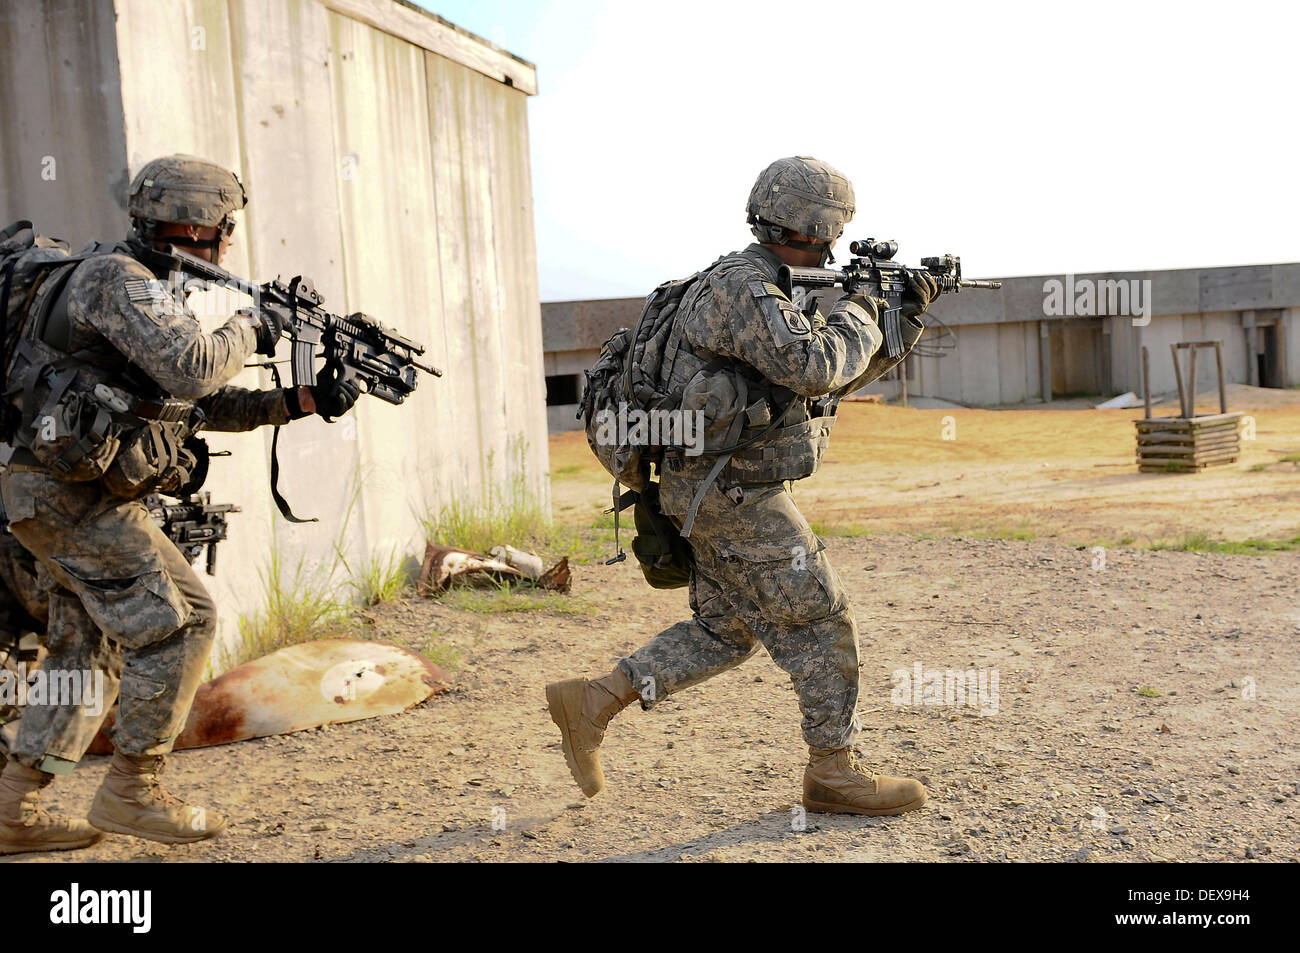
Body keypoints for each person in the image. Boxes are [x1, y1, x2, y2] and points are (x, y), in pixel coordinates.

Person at [546, 156, 940, 817]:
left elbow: (825, 380)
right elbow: (815, 364)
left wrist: (899, 320)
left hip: (711, 489)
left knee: (724, 631)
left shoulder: (752, 283)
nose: (837, 248)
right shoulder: (746, 289)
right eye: (834, 234)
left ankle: (590, 702)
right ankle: (833, 773)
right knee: (822, 619)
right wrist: (865, 305)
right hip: (731, 495)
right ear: (817, 226)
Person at [0, 154, 359, 855]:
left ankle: (15, 809)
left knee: (87, 642)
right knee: (183, 619)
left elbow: (188, 404)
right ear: (196, 225)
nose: (230, 241)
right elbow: (194, 366)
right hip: (69, 497)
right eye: (225, 226)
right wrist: (256, 327)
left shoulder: (150, 290)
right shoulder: (116, 280)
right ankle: (132, 789)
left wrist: (298, 401)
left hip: (69, 494)